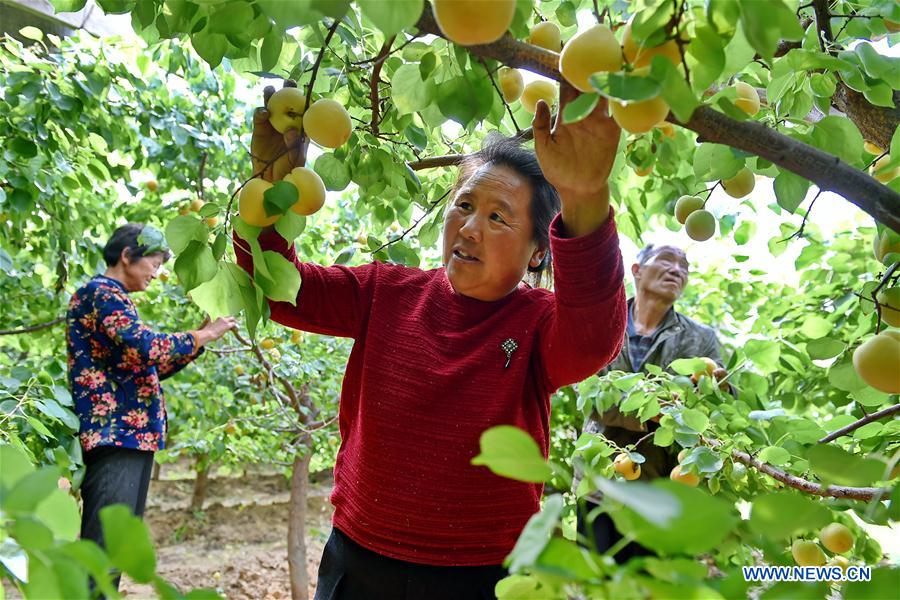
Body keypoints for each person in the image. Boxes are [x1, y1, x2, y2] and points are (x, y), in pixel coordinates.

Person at [235, 80, 627, 599]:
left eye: (497, 217)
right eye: (464, 205)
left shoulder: (536, 322)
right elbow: (283, 292)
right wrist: (265, 194)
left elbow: (593, 337)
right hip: (361, 557)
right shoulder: (386, 291)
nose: (469, 228)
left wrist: (584, 198)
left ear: (537, 252)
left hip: (483, 572)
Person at [67, 223, 236, 588]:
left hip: (131, 436)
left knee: (113, 550)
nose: (156, 273)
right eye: (153, 263)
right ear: (127, 256)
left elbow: (149, 364)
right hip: (116, 435)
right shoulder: (101, 292)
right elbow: (143, 346)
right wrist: (201, 335)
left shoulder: (113, 300)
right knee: (104, 550)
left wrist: (199, 341)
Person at [576, 243, 727, 562]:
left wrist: (717, 387)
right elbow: (590, 396)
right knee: (597, 581)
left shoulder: (700, 338)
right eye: (667, 260)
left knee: (650, 584)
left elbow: (715, 406)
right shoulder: (602, 325)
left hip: (664, 487)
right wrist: (656, 412)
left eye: (684, 266)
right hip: (600, 482)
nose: (678, 270)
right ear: (637, 270)